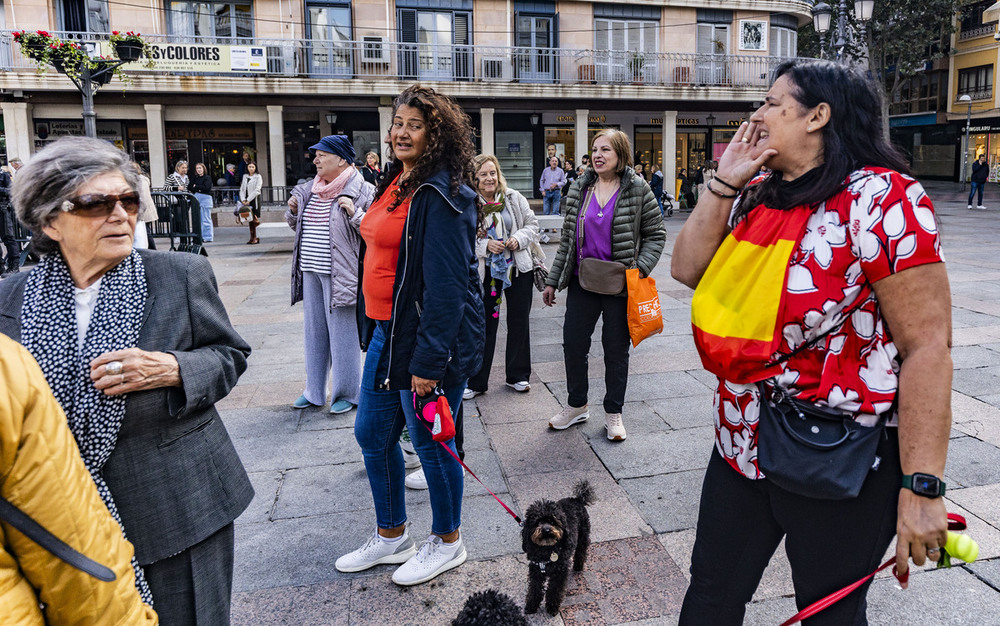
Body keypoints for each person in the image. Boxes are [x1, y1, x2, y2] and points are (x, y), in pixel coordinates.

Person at [671, 59, 951, 624]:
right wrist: (724, 180)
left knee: (828, 616)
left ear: (818, 115)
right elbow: (686, 267)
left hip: (837, 456)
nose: (759, 114)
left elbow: (928, 346)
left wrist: (922, 487)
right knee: (709, 598)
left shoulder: (883, 199)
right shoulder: (757, 191)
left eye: (774, 103)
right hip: (741, 442)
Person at [0, 136, 254, 624]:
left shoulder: (178, 274)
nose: (120, 215)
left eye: (129, 199)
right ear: (50, 220)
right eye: (96, 203)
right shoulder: (11, 299)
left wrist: (176, 369)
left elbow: (230, 355)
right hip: (58, 524)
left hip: (179, 506)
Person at [336, 84, 483, 587]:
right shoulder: (396, 181)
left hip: (425, 342)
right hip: (386, 333)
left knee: (430, 441)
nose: (401, 131)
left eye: (414, 125)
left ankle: (448, 542)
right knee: (372, 435)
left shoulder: (446, 195)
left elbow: (448, 289)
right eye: (398, 122)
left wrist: (428, 363)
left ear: (436, 135)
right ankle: (392, 534)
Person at [0, 334, 159, 624]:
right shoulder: (7, 352)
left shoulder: (174, 286)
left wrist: (173, 368)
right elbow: (79, 576)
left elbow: (229, 356)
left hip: (163, 502)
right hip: (69, 532)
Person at [542, 129, 665, 442]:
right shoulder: (580, 187)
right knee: (573, 345)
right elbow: (569, 240)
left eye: (605, 150)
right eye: (595, 149)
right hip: (583, 280)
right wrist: (553, 282)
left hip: (620, 285)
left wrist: (639, 269)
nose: (598, 155)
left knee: (615, 351)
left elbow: (656, 233)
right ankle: (577, 405)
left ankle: (614, 413)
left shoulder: (638, 188)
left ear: (620, 155)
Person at [286, 135, 375, 415]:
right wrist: (292, 213)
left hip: (341, 274)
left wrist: (354, 214)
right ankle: (314, 391)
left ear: (341, 159)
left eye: (322, 155)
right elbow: (297, 226)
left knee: (343, 335)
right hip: (310, 269)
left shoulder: (363, 190)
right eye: (315, 155)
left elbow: (372, 231)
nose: (315, 160)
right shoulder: (310, 189)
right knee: (314, 332)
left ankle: (347, 393)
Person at [464, 153, 541, 402]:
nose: (490, 178)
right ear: (474, 178)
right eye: (484, 174)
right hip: (489, 275)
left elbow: (532, 224)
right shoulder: (468, 202)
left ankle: (518, 375)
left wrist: (518, 239)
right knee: (485, 325)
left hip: (517, 269)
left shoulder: (512, 198)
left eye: (493, 172)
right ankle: (476, 380)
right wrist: (485, 245)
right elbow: (462, 237)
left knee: (520, 321)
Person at [130, 162, 159, 250]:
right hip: (145, 208)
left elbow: (141, 196)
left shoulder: (138, 181)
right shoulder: (143, 179)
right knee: (146, 231)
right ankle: (152, 250)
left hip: (143, 209)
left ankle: (153, 250)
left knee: (146, 231)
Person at [0, 164, 18, 278]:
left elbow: (11, 191)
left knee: (8, 238)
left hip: (2, 209)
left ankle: (14, 267)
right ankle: (1, 268)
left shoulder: (4, 175)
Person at [190, 162, 215, 243]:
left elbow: (207, 188)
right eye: (197, 168)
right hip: (197, 197)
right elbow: (190, 187)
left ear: (203, 169)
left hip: (206, 198)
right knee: (198, 219)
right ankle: (200, 236)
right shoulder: (195, 178)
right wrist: (199, 188)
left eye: (200, 168)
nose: (198, 170)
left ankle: (208, 237)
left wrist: (196, 187)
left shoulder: (207, 178)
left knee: (206, 219)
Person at [239, 161, 263, 245]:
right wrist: (243, 200)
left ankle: (256, 237)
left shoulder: (258, 176)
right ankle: (251, 237)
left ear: (255, 167)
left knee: (254, 219)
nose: (251, 168)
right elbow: (242, 189)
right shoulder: (245, 176)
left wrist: (249, 199)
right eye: (250, 167)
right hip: (246, 200)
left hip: (254, 199)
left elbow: (257, 189)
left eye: (253, 167)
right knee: (249, 218)